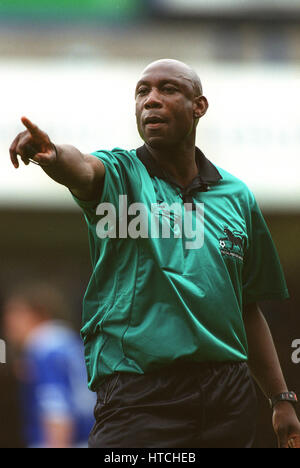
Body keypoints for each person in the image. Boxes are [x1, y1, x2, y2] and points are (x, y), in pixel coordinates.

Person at [9, 59, 300, 448]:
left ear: (199, 106)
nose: (151, 100)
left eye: (168, 90)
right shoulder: (120, 174)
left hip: (227, 395)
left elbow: (247, 307)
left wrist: (280, 399)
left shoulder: (237, 197)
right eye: (142, 92)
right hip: (141, 393)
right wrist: (54, 156)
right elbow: (81, 167)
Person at [2, 283, 96, 448]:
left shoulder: (43, 347)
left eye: (15, 314)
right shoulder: (69, 341)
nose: (8, 322)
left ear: (39, 313)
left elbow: (57, 412)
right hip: (90, 437)